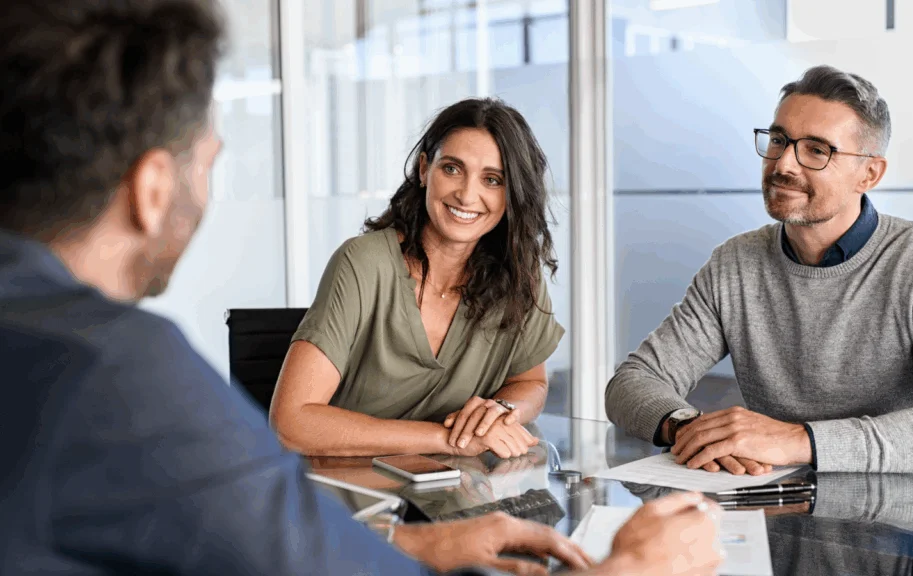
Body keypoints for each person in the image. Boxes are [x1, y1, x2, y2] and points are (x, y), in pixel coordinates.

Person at [0, 1, 724, 575]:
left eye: (493, 179)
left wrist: (434, 532)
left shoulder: (50, 343)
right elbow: (290, 491)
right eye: (209, 157)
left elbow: (279, 555)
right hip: (352, 505)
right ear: (153, 186)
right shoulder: (123, 374)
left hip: (419, 518)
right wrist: (624, 570)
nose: (468, 192)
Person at [605, 65, 913, 475]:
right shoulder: (734, 263)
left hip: (904, 521)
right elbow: (632, 382)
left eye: (817, 150)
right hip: (772, 509)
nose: (784, 164)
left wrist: (797, 440)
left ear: (869, 174)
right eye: (779, 140)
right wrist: (689, 429)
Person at [271, 98, 564, 459]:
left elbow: (530, 381)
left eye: (492, 179)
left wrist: (501, 411)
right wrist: (446, 440)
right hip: (345, 494)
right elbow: (291, 422)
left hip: (453, 497)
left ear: (512, 193)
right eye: (452, 169)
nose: (467, 194)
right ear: (425, 169)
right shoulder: (363, 263)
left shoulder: (519, 273)